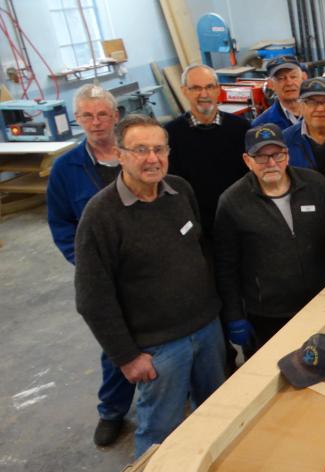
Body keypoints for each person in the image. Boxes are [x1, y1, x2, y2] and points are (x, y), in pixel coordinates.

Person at [74, 114, 226, 458]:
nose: (152, 158)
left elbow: (201, 250)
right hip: (158, 349)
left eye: (159, 149)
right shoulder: (101, 215)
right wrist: (127, 357)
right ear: (119, 153)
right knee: (159, 431)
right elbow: (92, 298)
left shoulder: (180, 190)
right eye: (140, 150)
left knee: (217, 412)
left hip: (207, 331)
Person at [46, 84, 134, 447]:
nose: (96, 123)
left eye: (102, 114)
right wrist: (85, 265)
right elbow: (61, 224)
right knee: (117, 344)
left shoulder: (135, 154)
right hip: (104, 277)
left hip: (149, 267)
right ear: (77, 120)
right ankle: (112, 411)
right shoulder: (66, 168)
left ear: (115, 116)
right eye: (87, 115)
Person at [214, 124, 325, 351]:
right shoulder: (232, 202)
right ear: (247, 160)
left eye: (277, 155)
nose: (271, 163)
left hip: (322, 303)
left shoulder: (315, 185)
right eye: (261, 157)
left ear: (287, 155)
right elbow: (225, 266)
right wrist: (234, 315)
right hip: (268, 315)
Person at [165, 63, 251, 236]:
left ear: (218, 89)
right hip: (197, 227)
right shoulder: (170, 135)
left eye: (209, 87)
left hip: (241, 220)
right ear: (184, 91)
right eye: (196, 88)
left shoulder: (241, 128)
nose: (204, 94)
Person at [251, 55, 307, 129]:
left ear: (303, 78)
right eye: (281, 78)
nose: (289, 83)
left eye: (293, 76)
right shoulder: (261, 125)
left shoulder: (321, 113)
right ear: (271, 84)